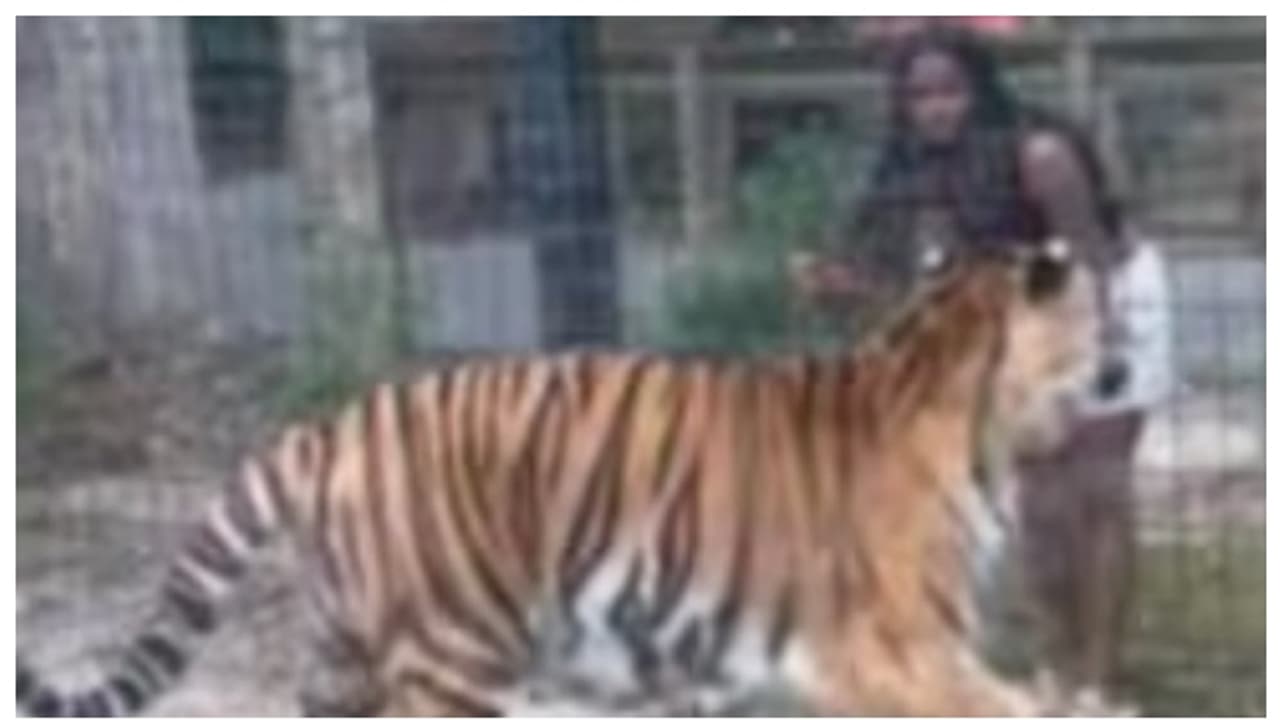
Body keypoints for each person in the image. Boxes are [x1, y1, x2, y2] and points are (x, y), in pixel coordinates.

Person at [791, 25, 1173, 702]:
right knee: (1042, 503)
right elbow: (918, 292)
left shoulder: (1040, 155)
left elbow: (1090, 260)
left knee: (1098, 492)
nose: (935, 107)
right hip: (1021, 312)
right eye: (919, 95)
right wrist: (840, 286)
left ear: (980, 91)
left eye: (949, 91)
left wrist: (1099, 358)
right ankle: (1058, 664)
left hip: (1110, 297)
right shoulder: (915, 170)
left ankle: (1100, 679)